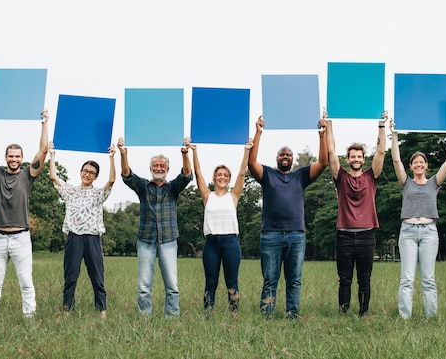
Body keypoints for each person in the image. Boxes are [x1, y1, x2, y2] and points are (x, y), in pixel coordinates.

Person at [248, 115, 328, 319]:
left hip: (296, 234)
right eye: (282, 154)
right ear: (277, 158)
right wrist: (258, 132)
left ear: (292, 159)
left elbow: (323, 162)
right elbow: (251, 162)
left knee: (294, 279)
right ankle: (266, 315)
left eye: (289, 154)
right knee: (270, 278)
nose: (285, 156)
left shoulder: (300, 176)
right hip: (270, 235)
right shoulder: (267, 175)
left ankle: (292, 315)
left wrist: (322, 135)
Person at [0, 107, 49, 318]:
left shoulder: (28, 175)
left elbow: (43, 151)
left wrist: (44, 122)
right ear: (6, 157)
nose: (14, 159)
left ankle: (30, 319)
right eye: (11, 156)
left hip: (21, 238)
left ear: (22, 157)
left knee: (26, 282)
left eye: (17, 156)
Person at [117, 136, 192, 318]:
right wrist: (123, 153)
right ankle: (144, 319)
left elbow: (187, 175)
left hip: (168, 240)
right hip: (146, 240)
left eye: (162, 166)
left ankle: (172, 319)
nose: (158, 168)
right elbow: (127, 175)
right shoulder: (143, 186)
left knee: (172, 285)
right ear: (151, 168)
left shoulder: (173, 188)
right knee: (144, 285)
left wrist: (185, 153)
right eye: (155, 166)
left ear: (167, 169)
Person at [390, 118, 446, 319]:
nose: (419, 164)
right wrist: (393, 135)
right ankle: (404, 317)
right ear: (411, 166)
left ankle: (432, 317)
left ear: (426, 166)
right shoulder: (406, 183)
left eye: (422, 162)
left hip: (429, 232)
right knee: (407, 278)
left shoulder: (434, 183)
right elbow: (395, 160)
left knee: (428, 278)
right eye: (415, 162)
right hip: (408, 232)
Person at [326, 111, 387, 316]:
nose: (356, 159)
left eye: (360, 156)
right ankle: (343, 313)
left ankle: (363, 313)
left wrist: (381, 125)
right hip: (343, 235)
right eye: (353, 156)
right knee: (345, 279)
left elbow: (380, 152)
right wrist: (329, 124)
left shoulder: (372, 176)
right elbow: (331, 153)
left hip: (366, 236)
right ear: (348, 159)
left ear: (363, 159)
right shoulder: (340, 177)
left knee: (364, 279)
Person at [48, 142, 116, 318]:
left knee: (97, 277)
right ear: (80, 172)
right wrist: (52, 155)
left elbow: (112, 180)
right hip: (74, 238)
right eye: (85, 171)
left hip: (93, 238)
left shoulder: (98, 194)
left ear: (95, 177)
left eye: (92, 173)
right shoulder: (70, 191)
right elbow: (54, 178)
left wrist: (112, 158)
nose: (87, 174)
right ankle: (67, 310)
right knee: (70, 275)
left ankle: (102, 311)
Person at [189, 138, 253, 315]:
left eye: (225, 175)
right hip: (211, 244)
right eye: (219, 175)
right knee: (211, 282)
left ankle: (234, 315)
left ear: (229, 179)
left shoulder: (233, 196)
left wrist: (247, 150)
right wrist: (194, 151)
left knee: (232, 282)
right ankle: (208, 314)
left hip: (230, 243)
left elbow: (242, 173)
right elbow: (198, 173)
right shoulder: (207, 196)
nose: (222, 177)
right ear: (214, 178)